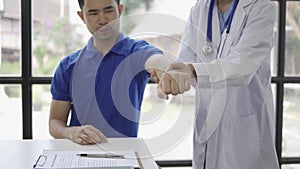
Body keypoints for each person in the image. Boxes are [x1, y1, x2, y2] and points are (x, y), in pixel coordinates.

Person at [49, 0, 191, 145]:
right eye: (93, 13)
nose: (103, 19)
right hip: (78, 155)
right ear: (82, 16)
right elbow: (55, 121)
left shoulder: (135, 51)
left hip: (124, 157)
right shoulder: (68, 66)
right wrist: (70, 132)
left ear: (120, 10)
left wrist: (169, 69)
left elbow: (155, 60)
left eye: (109, 10)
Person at [158, 0, 280, 168]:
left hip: (244, 127)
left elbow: (242, 64)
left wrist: (192, 70)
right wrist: (171, 76)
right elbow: (186, 59)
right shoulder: (200, 9)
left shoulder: (260, 7)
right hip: (207, 122)